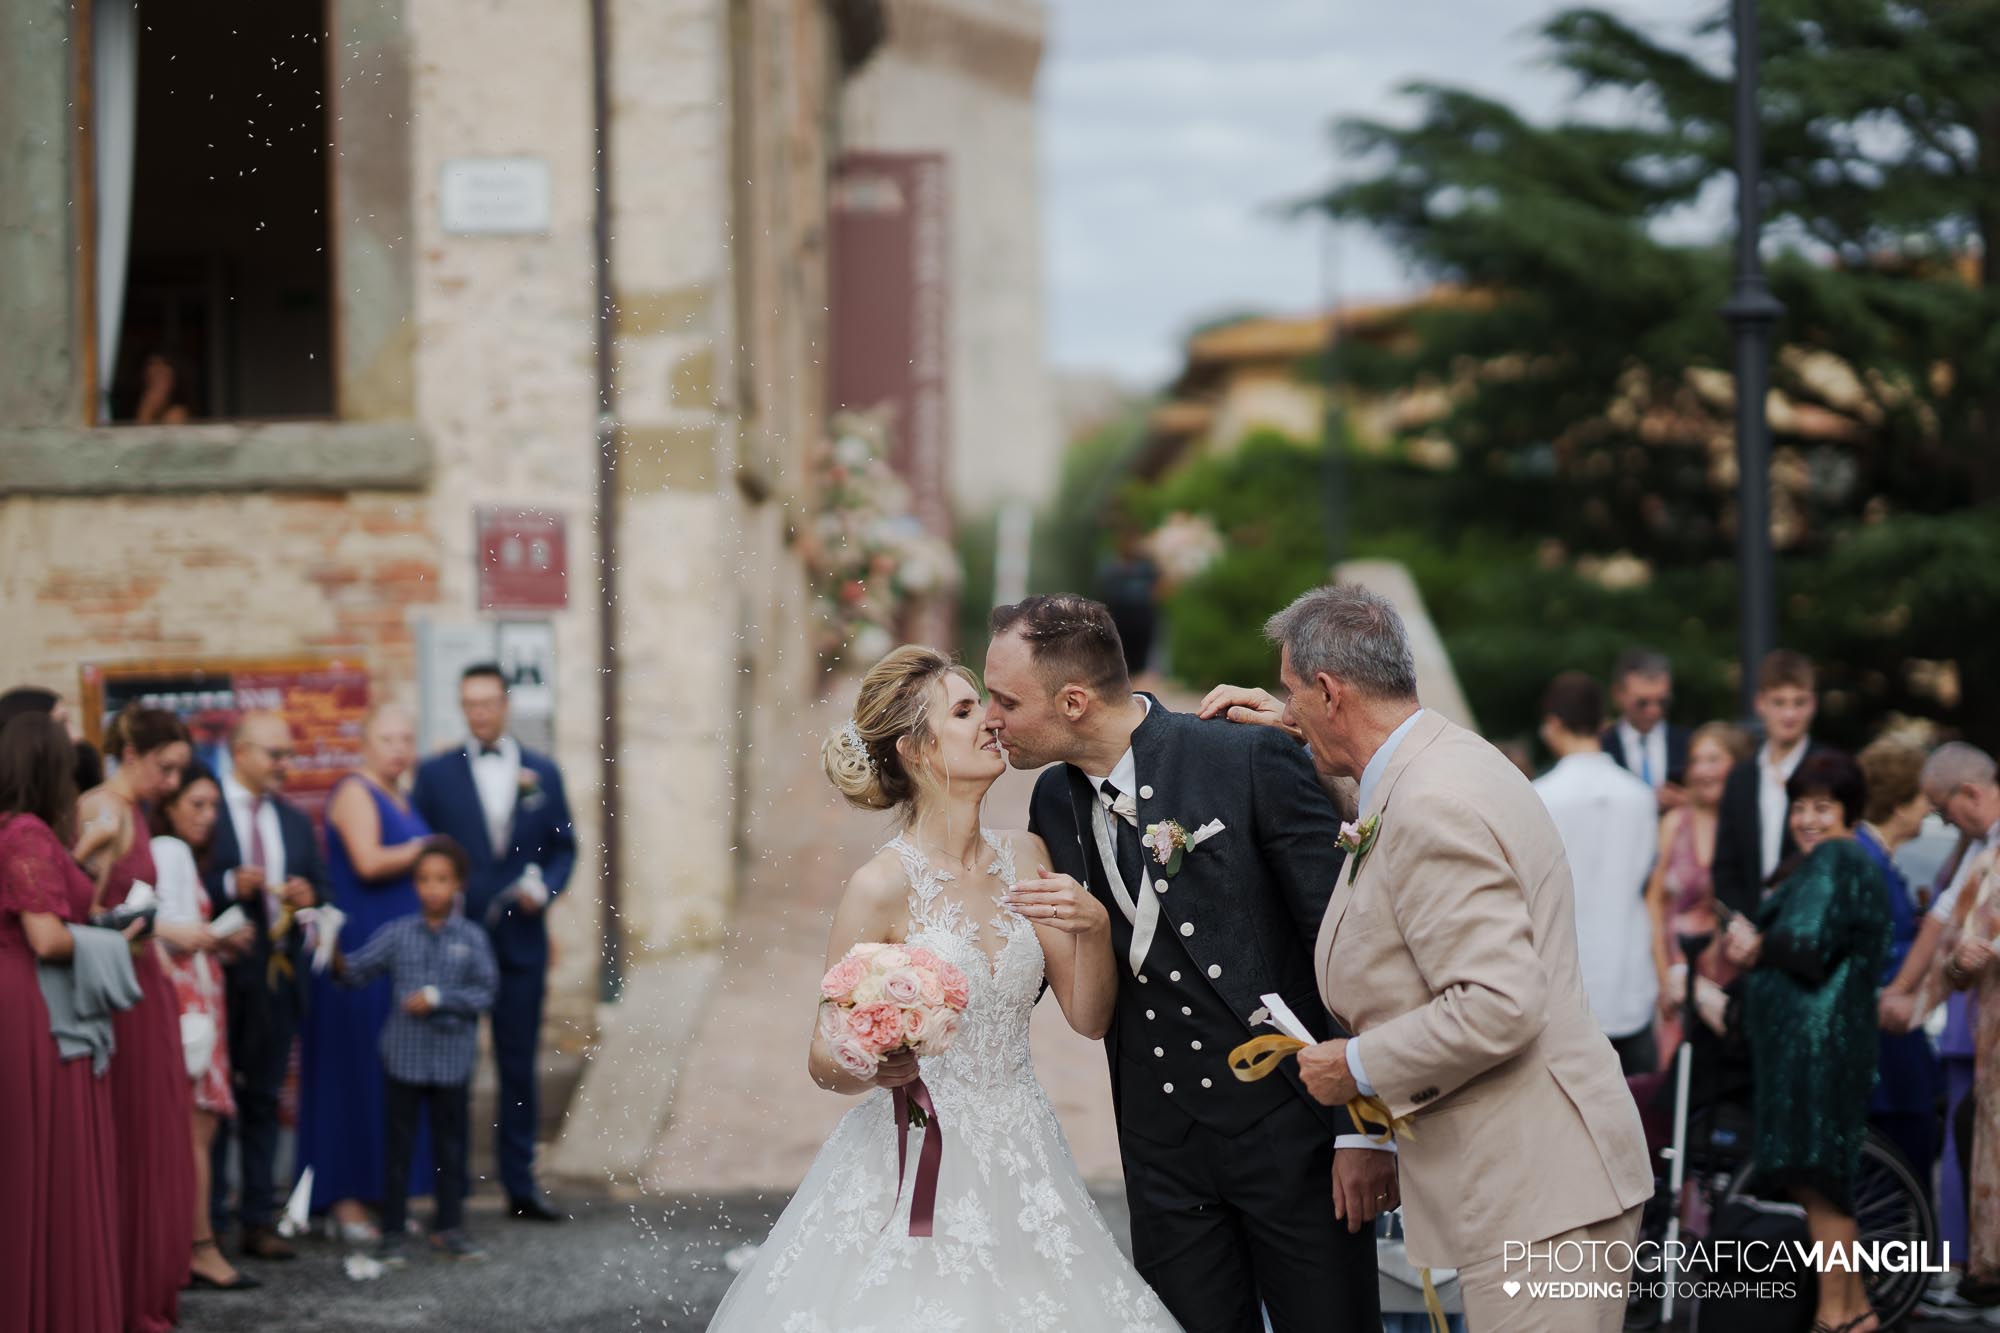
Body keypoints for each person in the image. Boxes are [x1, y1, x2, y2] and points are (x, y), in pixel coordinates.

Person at [1205, 584, 1652, 1333]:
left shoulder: (1431, 803)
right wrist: (1304, 742)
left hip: (1538, 1193)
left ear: (1329, 689)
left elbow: (1498, 1002)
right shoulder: (1436, 761)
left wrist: (1355, 1064)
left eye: (1293, 694)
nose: (1288, 710)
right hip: (1538, 1181)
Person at [706, 645, 1182, 1331]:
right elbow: (822, 1055)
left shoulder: (1028, 854)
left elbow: (1088, 1013)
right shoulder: (880, 886)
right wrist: (874, 1060)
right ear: (915, 748)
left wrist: (1094, 923)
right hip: (916, 1148)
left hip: (1023, 1147)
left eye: (984, 704)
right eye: (964, 710)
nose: (991, 719)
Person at [987, 594, 1389, 1333]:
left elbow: (1346, 949)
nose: (992, 718)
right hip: (1161, 1152)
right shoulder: (1053, 801)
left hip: (1296, 1139)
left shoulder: (1243, 755)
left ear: (1073, 701)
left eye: (1005, 700)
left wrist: (1363, 1129)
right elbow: (1040, 963)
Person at [1720, 750, 1891, 1333]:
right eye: (1800, 805)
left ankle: (1833, 1317)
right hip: (1821, 1046)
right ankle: (1858, 1311)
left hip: (1817, 1051)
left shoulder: (1836, 859)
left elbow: (1806, 944)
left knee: (1820, 1186)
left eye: (1823, 806)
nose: (1808, 818)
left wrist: (1753, 945)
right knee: (1823, 1184)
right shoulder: (1844, 859)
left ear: (1847, 810)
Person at [412, 664, 576, 1221]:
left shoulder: (543, 772)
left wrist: (545, 891)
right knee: (449, 1061)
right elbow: (424, 854)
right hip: (455, 943)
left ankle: (519, 1185)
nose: (479, 713)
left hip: (522, 938)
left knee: (517, 1063)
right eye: (469, 704)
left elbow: (564, 849)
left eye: (488, 702)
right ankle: (448, 1187)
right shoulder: (434, 776)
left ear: (505, 705)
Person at [0, 713, 126, 1333]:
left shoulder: (23, 832)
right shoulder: (23, 831)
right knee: (45, 1160)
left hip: (25, 997)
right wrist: (111, 945)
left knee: (35, 1164)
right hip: (31, 1005)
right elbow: (46, 936)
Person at [74, 705, 198, 1333]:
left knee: (154, 1133)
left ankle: (143, 1288)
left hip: (146, 981)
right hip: (122, 985)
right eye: (165, 767)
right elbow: (80, 909)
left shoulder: (134, 811)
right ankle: (123, 1296)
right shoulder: (103, 808)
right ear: (132, 755)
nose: (173, 783)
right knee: (132, 1138)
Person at [299, 705, 433, 1242]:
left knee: (388, 1072)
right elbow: (368, 860)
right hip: (359, 950)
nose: (399, 747)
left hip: (396, 956)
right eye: (388, 738)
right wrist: (427, 849)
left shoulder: (402, 793)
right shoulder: (356, 789)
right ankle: (343, 1200)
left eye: (407, 738)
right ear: (365, 743)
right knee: (351, 1069)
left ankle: (380, 1191)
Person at [333, 838, 496, 1264]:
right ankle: (392, 1230)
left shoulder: (472, 937)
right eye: (423, 880)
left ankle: (449, 1226)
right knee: (398, 1147)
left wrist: (440, 998)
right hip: (403, 1058)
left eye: (442, 879)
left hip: (452, 1061)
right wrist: (328, 948)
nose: (432, 889)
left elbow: (485, 991)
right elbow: (355, 971)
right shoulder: (398, 934)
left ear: (458, 884)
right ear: (414, 886)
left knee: (450, 1147)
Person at [202, 710, 323, 1261]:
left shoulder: (294, 821)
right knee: (214, 1103)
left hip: (277, 980)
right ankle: (207, 1223)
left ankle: (256, 1219)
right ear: (241, 752)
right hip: (220, 980)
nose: (285, 765)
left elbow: (322, 887)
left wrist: (307, 894)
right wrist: (229, 882)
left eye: (289, 755)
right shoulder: (204, 810)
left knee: (264, 1098)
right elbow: (174, 873)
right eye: (276, 755)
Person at [149, 762, 259, 1291]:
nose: (208, 816)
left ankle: (190, 1244)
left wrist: (219, 940)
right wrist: (212, 936)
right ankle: (200, 1247)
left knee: (196, 1131)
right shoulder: (167, 851)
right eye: (197, 804)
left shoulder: (180, 854)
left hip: (199, 990)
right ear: (168, 806)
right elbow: (165, 929)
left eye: (214, 806)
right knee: (198, 1130)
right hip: (187, 998)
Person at [1532, 671, 1661, 1073]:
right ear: (1602, 724)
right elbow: (1647, 883)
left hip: (1566, 985)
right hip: (1631, 976)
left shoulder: (1540, 796)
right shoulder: (1640, 797)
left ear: (1553, 724)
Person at [1851, 738, 1940, 1192]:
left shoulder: (1873, 855)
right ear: (1902, 803)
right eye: (1925, 798)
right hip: (1884, 1037)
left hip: (1885, 1037)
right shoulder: (1868, 861)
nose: (1930, 809)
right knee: (1902, 1165)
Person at [1644, 722, 1752, 1054]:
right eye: (1696, 761)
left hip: (1734, 968)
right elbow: (1654, 903)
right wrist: (1664, 977)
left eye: (1713, 759)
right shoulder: (1676, 823)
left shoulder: (1747, 824)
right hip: (1681, 968)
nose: (1703, 770)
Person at [1712, 650, 1822, 915]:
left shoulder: (1827, 770)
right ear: (1760, 703)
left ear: (1813, 704)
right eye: (1780, 702)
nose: (1789, 715)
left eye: (1799, 703)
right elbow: (1726, 866)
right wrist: (1743, 924)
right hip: (1749, 930)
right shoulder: (1741, 777)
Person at [1600, 648, 1692, 809]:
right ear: (1618, 694)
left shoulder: (1689, 743)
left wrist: (1689, 800)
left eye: (1662, 702)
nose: (1653, 710)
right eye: (1642, 702)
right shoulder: (1601, 746)